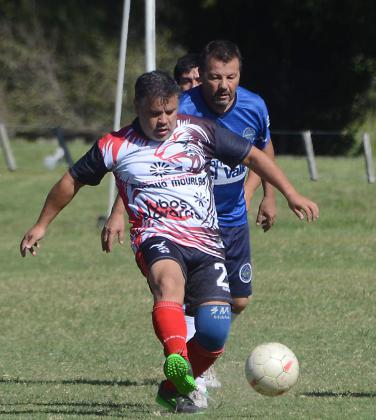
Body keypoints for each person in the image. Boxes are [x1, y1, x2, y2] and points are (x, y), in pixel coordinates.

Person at [20, 70, 319, 414]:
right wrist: (42, 224)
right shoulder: (115, 145)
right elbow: (71, 180)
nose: (163, 121)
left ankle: (172, 386)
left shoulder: (199, 131)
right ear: (137, 107)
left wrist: (291, 193)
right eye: (154, 113)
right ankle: (176, 358)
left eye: (170, 112)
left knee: (214, 333)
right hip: (156, 236)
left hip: (207, 243)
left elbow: (252, 156)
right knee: (168, 283)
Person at [104, 40, 278, 397]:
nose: (223, 85)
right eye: (214, 77)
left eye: (230, 77)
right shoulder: (180, 109)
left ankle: (195, 356)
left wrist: (267, 195)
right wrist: (117, 212)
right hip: (182, 223)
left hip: (231, 218)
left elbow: (261, 150)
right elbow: (136, 161)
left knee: (239, 300)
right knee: (179, 292)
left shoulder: (254, 105)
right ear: (202, 77)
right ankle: (189, 371)